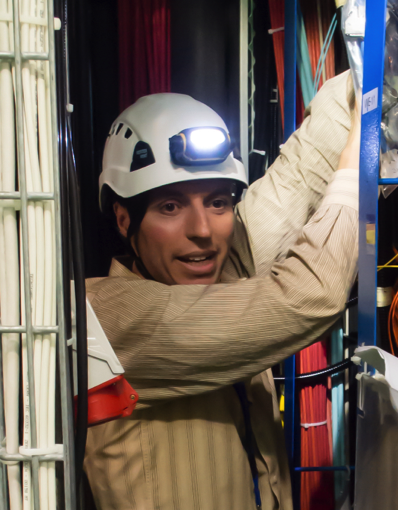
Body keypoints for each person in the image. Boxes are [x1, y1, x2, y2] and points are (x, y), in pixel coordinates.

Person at [84, 70, 360, 510]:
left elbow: (302, 174)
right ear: (123, 220)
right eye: (170, 206)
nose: (202, 231)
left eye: (218, 201)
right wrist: (355, 172)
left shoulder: (223, 266)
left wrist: (369, 72)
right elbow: (311, 294)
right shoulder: (107, 318)